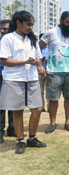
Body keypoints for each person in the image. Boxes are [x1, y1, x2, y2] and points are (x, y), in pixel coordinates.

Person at [0, 11, 47, 154]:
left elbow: (39, 57)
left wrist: (39, 66)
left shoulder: (33, 40)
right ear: (18, 23)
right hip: (14, 79)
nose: (30, 28)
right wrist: (25, 62)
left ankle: (32, 138)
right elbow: (4, 61)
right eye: (28, 24)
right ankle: (21, 140)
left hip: (31, 78)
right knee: (18, 110)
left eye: (32, 25)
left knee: (37, 109)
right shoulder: (8, 39)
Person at [39, 11, 69, 134]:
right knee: (53, 99)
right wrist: (40, 64)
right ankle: (52, 123)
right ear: (61, 21)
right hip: (54, 72)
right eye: (67, 22)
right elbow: (38, 47)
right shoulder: (51, 33)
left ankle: (68, 123)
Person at [0, 19, 16, 143]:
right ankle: (0, 132)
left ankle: (12, 129)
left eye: (5, 29)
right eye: (1, 29)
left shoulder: (14, 42)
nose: (2, 31)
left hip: (11, 77)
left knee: (12, 105)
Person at [38, 33, 48, 112]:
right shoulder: (37, 48)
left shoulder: (50, 48)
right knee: (40, 90)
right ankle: (41, 106)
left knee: (49, 90)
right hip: (39, 72)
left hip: (49, 71)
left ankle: (49, 107)